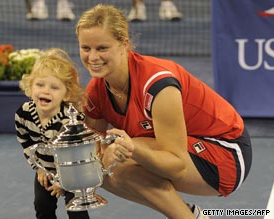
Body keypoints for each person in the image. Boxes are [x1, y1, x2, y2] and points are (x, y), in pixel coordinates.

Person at [75, 4, 252, 219]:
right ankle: (189, 214)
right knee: (100, 170)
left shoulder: (158, 85)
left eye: (102, 48)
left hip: (226, 154)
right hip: (182, 152)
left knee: (117, 160)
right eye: (86, 48)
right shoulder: (97, 90)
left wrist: (131, 150)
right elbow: (91, 148)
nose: (93, 57)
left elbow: (176, 166)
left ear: (124, 44)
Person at [15, 48, 90, 219]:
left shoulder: (70, 122)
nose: (46, 91)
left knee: (76, 211)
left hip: (73, 172)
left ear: (67, 93)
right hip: (45, 172)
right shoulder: (23, 114)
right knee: (42, 208)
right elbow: (26, 143)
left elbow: (76, 156)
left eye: (54, 87)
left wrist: (64, 182)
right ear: (30, 86)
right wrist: (39, 170)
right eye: (40, 84)